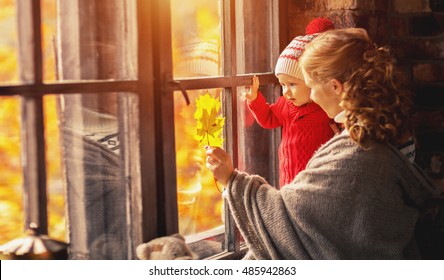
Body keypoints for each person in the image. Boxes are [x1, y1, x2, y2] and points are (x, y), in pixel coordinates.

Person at [205, 28, 437, 259]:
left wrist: (231, 179)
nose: (313, 97)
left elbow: (288, 218)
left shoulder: (355, 154)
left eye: (312, 87)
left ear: (336, 87)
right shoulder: (385, 131)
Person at [245, 17, 336, 188]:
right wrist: (256, 100)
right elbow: (268, 118)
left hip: (318, 182)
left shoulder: (326, 109)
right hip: (288, 179)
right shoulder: (285, 105)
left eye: (293, 84)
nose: (286, 91)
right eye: (282, 85)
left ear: (311, 81)